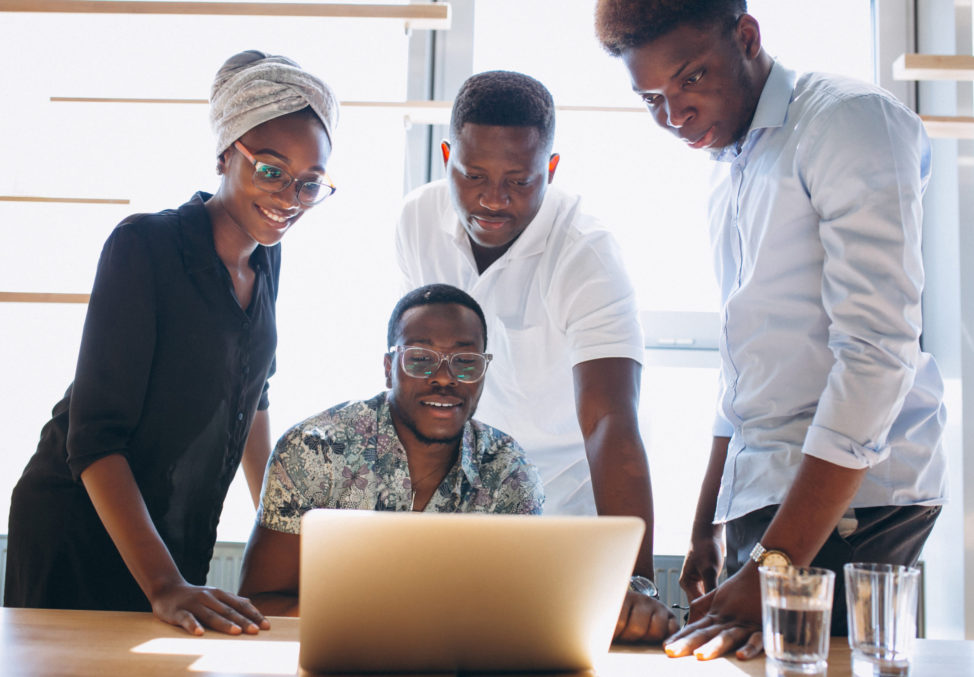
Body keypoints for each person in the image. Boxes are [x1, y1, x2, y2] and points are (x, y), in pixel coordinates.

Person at [595, 0, 949, 661]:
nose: (675, 116)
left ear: (748, 37)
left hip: (850, 503)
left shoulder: (845, 122)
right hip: (766, 500)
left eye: (691, 78)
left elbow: (875, 356)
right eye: (652, 100)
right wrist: (706, 524)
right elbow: (744, 375)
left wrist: (773, 565)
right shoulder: (730, 169)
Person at [4, 50, 339, 637]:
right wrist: (162, 583)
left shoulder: (268, 260)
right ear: (224, 154)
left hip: (174, 536)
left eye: (309, 184)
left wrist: (283, 537)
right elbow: (94, 437)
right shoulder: (146, 245)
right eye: (270, 170)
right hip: (82, 525)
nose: (289, 196)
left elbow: (253, 399)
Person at [395, 70, 677, 642]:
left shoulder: (586, 254)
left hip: (560, 517)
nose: (492, 199)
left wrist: (638, 584)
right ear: (446, 156)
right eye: (472, 176)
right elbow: (416, 380)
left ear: (549, 170)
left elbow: (609, 421)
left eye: (518, 181)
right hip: (450, 516)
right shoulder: (417, 220)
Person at [236, 283, 544, 615]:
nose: (444, 378)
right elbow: (260, 603)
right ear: (388, 369)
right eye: (421, 359)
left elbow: (520, 612)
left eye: (465, 361)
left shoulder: (508, 469)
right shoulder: (314, 450)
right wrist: (384, 619)